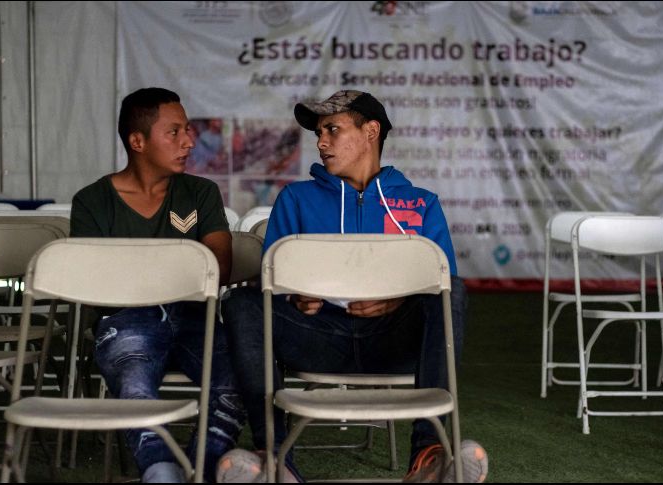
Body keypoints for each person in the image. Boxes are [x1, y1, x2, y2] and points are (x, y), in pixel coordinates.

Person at [218, 90, 487, 483]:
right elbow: (270, 285)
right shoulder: (296, 198)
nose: (321, 142)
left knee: (452, 291)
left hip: (392, 342)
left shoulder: (422, 203)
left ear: (371, 131)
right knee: (242, 302)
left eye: (332, 129)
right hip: (317, 337)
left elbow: (440, 287)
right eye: (318, 133)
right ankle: (274, 458)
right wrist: (294, 296)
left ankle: (431, 454)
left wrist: (396, 301)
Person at [70, 87, 244, 483]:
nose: (188, 141)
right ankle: (161, 470)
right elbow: (95, 283)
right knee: (133, 385)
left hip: (195, 317)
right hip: (127, 320)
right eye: (175, 132)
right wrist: (181, 265)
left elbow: (218, 268)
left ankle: (207, 463)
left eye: (188, 130)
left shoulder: (200, 192)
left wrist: (138, 272)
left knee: (236, 374)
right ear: (138, 141)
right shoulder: (92, 201)